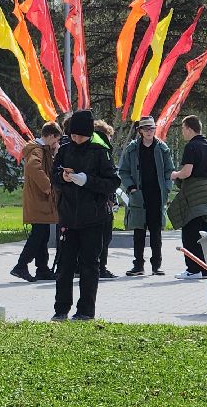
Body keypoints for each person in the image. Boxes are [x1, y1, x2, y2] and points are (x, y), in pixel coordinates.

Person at [49, 109, 120, 321]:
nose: (76, 139)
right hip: (68, 216)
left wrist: (87, 180)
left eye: (80, 135)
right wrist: (62, 177)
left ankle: (86, 310)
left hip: (94, 217)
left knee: (90, 266)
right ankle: (61, 309)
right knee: (64, 266)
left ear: (89, 134)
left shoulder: (100, 151)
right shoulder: (64, 150)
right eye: (72, 135)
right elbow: (54, 176)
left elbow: (113, 183)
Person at [168, 114, 207, 281]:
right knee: (204, 234)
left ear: (188, 128)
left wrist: (174, 175)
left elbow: (187, 172)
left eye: (183, 129)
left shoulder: (191, 147)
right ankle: (205, 269)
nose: (182, 133)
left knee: (189, 232)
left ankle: (193, 269)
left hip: (194, 194)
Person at [118, 115, 175, 276]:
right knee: (139, 231)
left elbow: (169, 171)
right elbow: (124, 171)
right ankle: (138, 265)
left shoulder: (162, 148)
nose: (150, 131)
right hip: (138, 196)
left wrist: (167, 187)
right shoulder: (132, 149)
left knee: (156, 232)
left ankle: (156, 265)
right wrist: (131, 188)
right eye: (146, 128)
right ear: (140, 131)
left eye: (152, 128)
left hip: (157, 195)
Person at [11, 122, 60, 282]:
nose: (56, 143)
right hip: (38, 199)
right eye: (55, 140)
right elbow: (33, 167)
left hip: (40, 199)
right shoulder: (37, 150)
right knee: (38, 235)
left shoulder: (42, 149)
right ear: (51, 136)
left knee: (43, 235)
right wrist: (48, 186)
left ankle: (42, 269)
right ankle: (21, 265)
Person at [91, 119, 120, 278]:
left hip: (101, 201)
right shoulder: (101, 152)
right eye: (108, 136)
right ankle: (100, 267)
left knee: (103, 236)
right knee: (103, 236)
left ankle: (100, 266)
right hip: (101, 202)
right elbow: (108, 178)